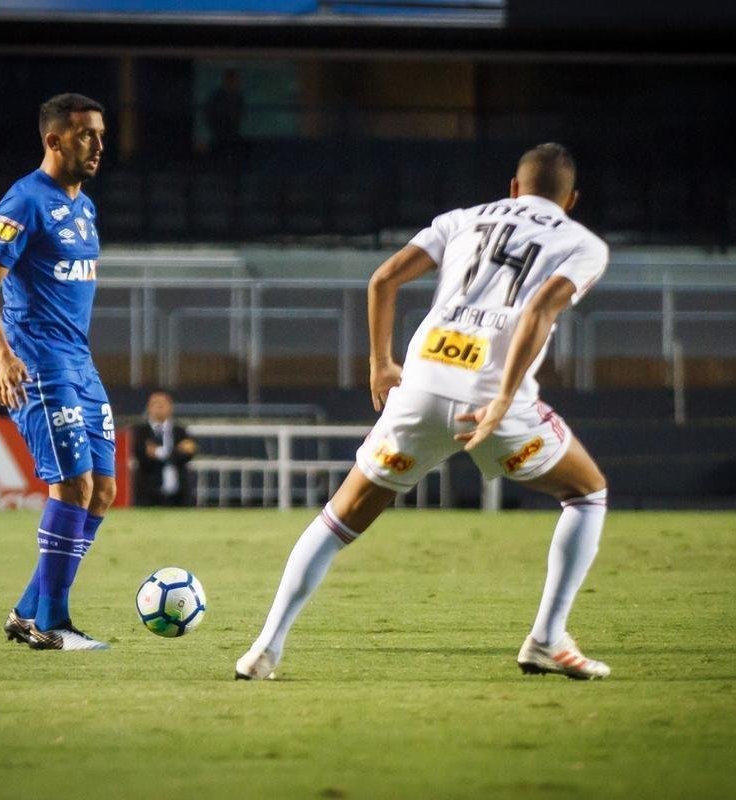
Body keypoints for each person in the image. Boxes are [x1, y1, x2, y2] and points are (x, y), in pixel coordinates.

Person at [235, 143, 612, 681]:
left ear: (513, 187)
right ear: (570, 199)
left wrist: (379, 364)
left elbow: (383, 279)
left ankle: (263, 650)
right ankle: (547, 638)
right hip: (490, 400)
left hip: (421, 383)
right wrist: (504, 400)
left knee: (339, 518)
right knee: (587, 492)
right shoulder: (582, 243)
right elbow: (538, 312)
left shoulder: (464, 219)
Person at [0, 92, 114, 652]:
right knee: (70, 483)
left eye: (100, 134)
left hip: (80, 362)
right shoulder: (25, 201)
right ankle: (53, 623)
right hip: (39, 366)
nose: (98, 145)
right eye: (85, 136)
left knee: (102, 490)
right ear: (53, 140)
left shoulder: (85, 207)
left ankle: (29, 612)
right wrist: (2, 354)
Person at [130, 390, 197, 506]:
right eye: (155, 403)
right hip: (148, 495)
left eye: (163, 403)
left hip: (179, 495)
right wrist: (176, 451)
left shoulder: (180, 431)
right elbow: (143, 457)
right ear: (149, 407)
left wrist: (157, 452)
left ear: (170, 407)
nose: (159, 407)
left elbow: (188, 454)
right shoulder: (140, 431)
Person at [204, 68, 244, 162]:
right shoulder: (217, 97)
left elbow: (238, 114)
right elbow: (209, 113)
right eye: (233, 80)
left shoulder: (238, 97)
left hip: (231, 135)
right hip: (220, 134)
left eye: (235, 80)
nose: (235, 83)